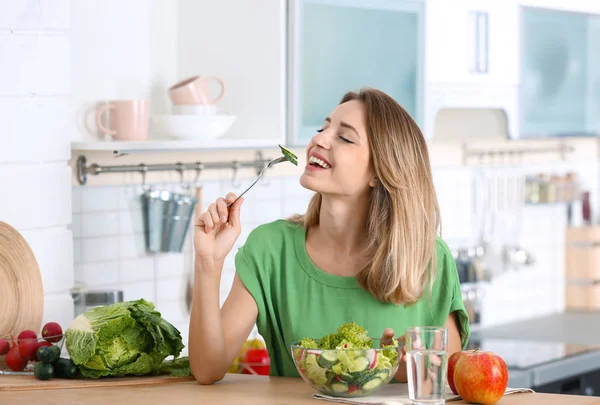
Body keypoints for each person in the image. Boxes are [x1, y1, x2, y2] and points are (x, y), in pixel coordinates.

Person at [188, 88, 470, 385]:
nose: (319, 139)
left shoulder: (428, 258)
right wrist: (209, 261)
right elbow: (208, 369)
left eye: (344, 137)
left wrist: (399, 368)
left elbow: (448, 382)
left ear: (381, 171)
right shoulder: (270, 250)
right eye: (323, 128)